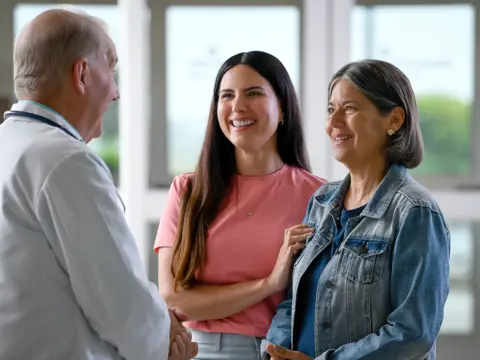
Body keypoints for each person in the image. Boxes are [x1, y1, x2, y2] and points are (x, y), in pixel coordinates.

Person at [0, 8, 197, 360]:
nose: (116, 92)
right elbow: (118, 301)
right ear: (82, 73)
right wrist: (164, 337)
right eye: (112, 68)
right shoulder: (66, 161)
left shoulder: (10, 145)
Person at [262, 59, 451, 360]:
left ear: (394, 120)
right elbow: (292, 301)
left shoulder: (415, 212)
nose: (333, 123)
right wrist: (275, 350)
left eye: (349, 108)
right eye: (330, 109)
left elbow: (413, 333)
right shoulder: (321, 201)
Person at [155, 50, 327, 359]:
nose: (237, 106)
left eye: (253, 93)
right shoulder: (188, 191)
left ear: (283, 107)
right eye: (227, 95)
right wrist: (269, 284)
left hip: (286, 352)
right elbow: (174, 298)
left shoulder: (321, 197)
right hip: (203, 352)